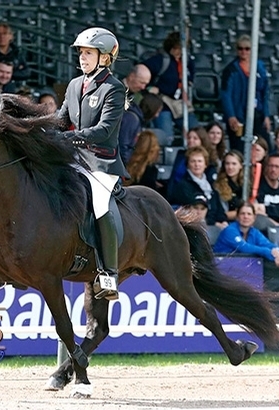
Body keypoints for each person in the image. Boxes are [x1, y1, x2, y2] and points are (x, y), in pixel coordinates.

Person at [57, 27, 127, 300]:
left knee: (99, 203)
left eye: (88, 53)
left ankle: (109, 273)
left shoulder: (114, 88)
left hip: (102, 162)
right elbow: (61, 120)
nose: (83, 58)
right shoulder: (75, 85)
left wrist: (71, 137)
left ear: (105, 58)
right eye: (82, 53)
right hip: (76, 159)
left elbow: (104, 130)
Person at [221, 34, 272, 152]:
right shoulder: (230, 70)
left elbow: (264, 92)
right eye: (240, 48)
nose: (244, 51)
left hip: (257, 114)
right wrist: (231, 115)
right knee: (238, 149)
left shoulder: (260, 67)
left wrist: (266, 115)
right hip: (238, 116)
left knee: (264, 147)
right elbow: (226, 94)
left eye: (247, 48)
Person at [142, 31, 198, 137]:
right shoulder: (160, 60)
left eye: (181, 49)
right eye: (176, 48)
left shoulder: (186, 59)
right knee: (166, 136)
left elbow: (191, 71)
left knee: (197, 133)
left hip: (180, 102)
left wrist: (189, 81)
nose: (179, 52)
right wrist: (149, 88)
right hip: (163, 103)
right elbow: (142, 70)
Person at [168, 146, 228, 229]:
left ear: (205, 164)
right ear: (187, 164)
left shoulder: (211, 184)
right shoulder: (182, 186)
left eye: (200, 161)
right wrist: (214, 223)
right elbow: (196, 211)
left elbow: (220, 210)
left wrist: (223, 221)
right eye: (193, 161)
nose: (196, 164)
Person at [213, 201, 279, 267]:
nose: (246, 217)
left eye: (249, 214)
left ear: (254, 218)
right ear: (237, 217)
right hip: (221, 268)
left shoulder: (254, 232)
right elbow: (244, 248)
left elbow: (269, 245)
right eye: (242, 213)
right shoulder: (230, 230)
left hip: (241, 269)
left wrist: (276, 253)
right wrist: (268, 252)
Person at [167, 126, 216, 198]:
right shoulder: (181, 154)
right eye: (189, 138)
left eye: (195, 138)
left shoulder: (210, 160)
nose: (191, 140)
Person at [119, 64, 152, 164]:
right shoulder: (114, 91)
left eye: (146, 84)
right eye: (141, 82)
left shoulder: (139, 94)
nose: (143, 87)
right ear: (132, 76)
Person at [256, 153, 279, 226]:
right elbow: (262, 216)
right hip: (264, 227)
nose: (273, 169)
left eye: (277, 166)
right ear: (266, 167)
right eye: (271, 166)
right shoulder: (258, 186)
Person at [214, 150, 244, 221]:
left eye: (234, 164)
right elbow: (221, 214)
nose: (230, 167)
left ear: (240, 165)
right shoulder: (218, 185)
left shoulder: (245, 184)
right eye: (227, 163)